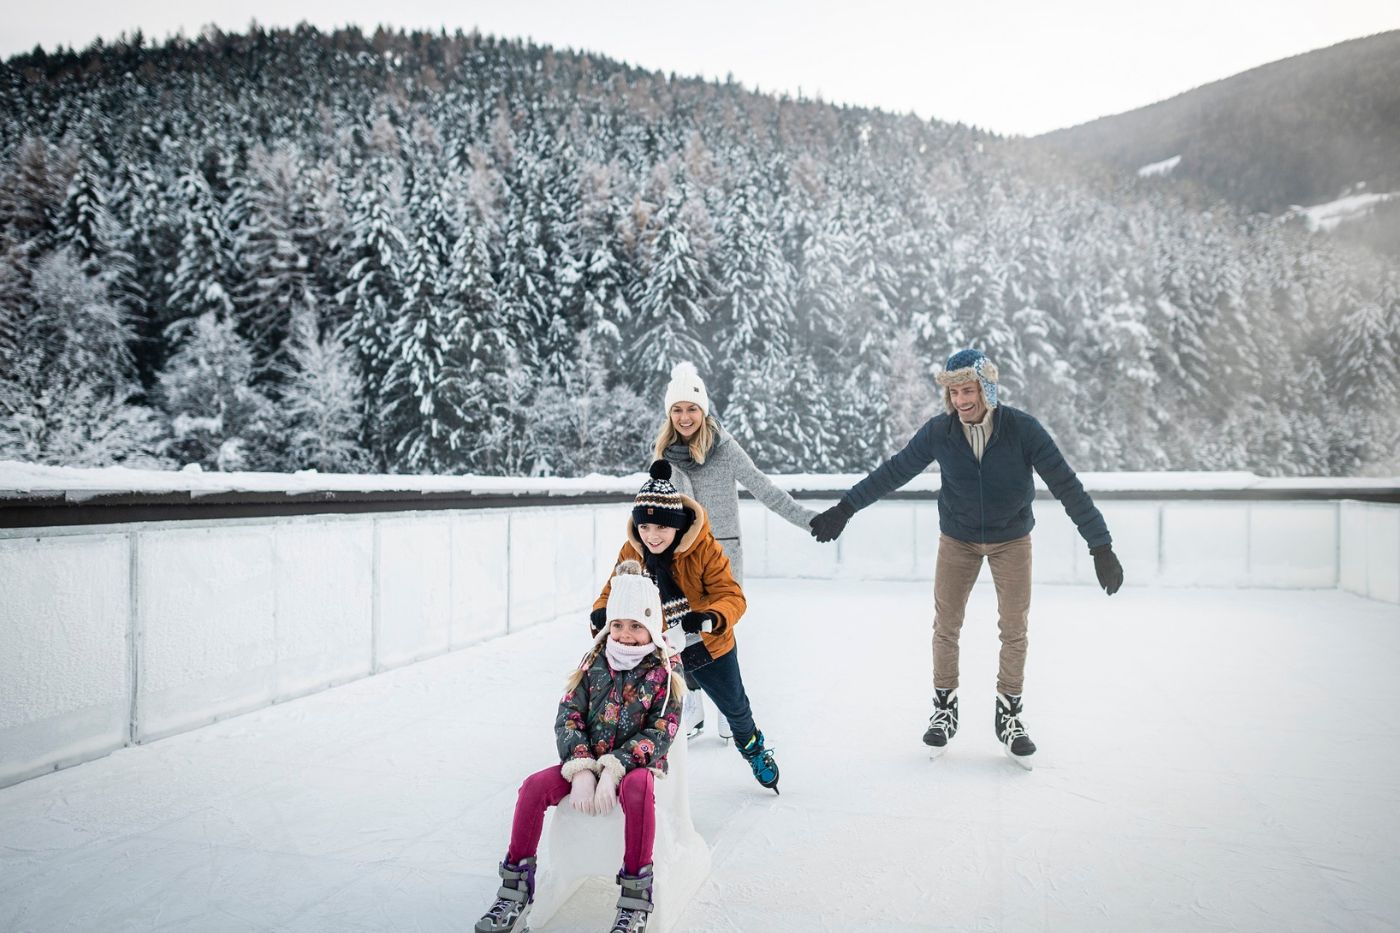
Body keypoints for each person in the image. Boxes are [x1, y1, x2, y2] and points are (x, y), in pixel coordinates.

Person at [808, 348, 1124, 768]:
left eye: (968, 389)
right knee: (946, 625)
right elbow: (894, 471)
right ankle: (944, 708)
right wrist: (845, 508)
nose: (961, 400)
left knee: (1014, 629)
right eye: (954, 392)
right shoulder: (941, 432)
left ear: (986, 389)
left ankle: (1009, 716)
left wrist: (1099, 544)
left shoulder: (1023, 430)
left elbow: (1067, 485)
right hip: (957, 540)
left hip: (1012, 539)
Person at [474, 560, 684, 933]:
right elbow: (569, 715)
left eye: (636, 625)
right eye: (618, 624)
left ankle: (635, 897)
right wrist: (583, 767)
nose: (625, 634)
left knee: (637, 791)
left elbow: (661, 732)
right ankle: (515, 890)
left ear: (652, 625)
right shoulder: (594, 661)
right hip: (587, 760)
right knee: (534, 786)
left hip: (637, 767)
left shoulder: (665, 671)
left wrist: (616, 767)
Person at [591, 459, 780, 793]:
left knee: (735, 706)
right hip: (657, 646)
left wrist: (707, 618)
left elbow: (731, 595)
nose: (652, 536)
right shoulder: (632, 550)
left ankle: (752, 747)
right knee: (639, 709)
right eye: (645, 528)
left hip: (707, 645)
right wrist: (602, 611)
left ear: (677, 525)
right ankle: (633, 768)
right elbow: (614, 588)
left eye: (661, 527)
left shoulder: (704, 549)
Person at [654, 361, 818, 741]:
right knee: (682, 628)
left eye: (691, 408)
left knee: (718, 627)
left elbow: (764, 488)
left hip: (722, 555)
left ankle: (730, 706)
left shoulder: (724, 449)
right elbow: (657, 508)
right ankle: (692, 702)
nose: (685, 416)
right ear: (669, 414)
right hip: (679, 557)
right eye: (677, 409)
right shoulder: (661, 453)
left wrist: (810, 520)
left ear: (704, 410)